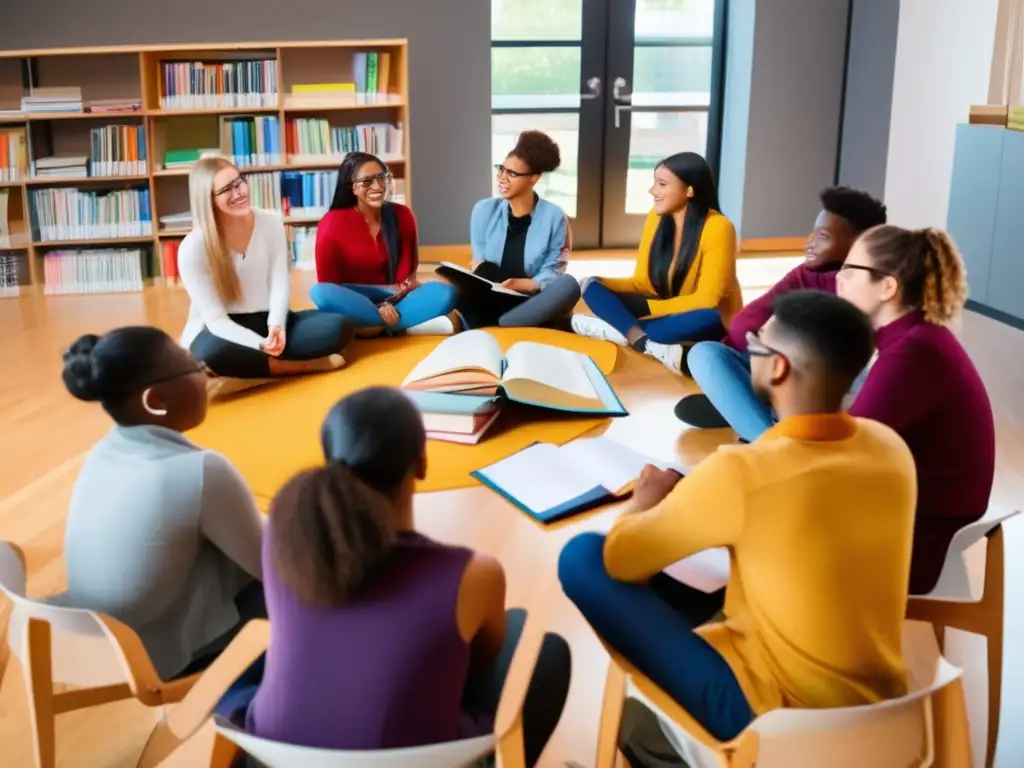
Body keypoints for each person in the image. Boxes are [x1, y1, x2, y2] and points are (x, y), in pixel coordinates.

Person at [559, 290, 916, 760]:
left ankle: (677, 742)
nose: (747, 350)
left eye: (757, 343)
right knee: (700, 580)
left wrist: (644, 500)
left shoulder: (745, 473)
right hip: (884, 708)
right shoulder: (890, 449)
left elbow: (618, 560)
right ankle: (655, 733)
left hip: (779, 721)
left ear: (778, 367)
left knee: (583, 557)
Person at [232, 387, 571, 764]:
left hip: (275, 756)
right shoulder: (471, 574)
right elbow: (481, 665)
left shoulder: (283, 534)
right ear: (422, 464)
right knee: (543, 652)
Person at [57, 326, 266, 682]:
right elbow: (274, 568)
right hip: (162, 654)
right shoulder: (202, 470)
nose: (205, 373)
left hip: (89, 635)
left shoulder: (104, 451)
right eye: (194, 366)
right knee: (314, 584)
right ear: (156, 400)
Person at [836, 225, 994, 595]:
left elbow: (843, 446)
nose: (838, 280)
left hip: (922, 537)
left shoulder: (912, 351)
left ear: (887, 287)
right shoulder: (917, 339)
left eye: (849, 270)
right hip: (926, 516)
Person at [675, 186, 888, 431]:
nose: (809, 242)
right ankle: (766, 431)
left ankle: (744, 407)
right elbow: (743, 323)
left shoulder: (873, 288)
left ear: (861, 244)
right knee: (704, 354)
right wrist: (773, 348)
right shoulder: (807, 274)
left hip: (826, 382)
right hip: (771, 364)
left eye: (823, 236)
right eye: (813, 233)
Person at [178, 155, 354, 381]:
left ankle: (251, 368)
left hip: (269, 319)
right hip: (223, 328)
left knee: (340, 326)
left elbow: (279, 284)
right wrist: (260, 345)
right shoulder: (193, 247)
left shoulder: (271, 222)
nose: (240, 192)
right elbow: (216, 321)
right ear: (208, 200)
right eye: (227, 190)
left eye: (239, 182)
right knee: (209, 353)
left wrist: (277, 326)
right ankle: (297, 367)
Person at [570, 152, 740, 373]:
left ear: (689, 190)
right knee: (592, 288)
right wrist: (601, 282)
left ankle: (614, 329)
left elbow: (707, 300)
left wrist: (650, 308)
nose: (652, 191)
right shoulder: (656, 218)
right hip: (665, 308)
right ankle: (646, 343)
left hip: (705, 316)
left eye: (662, 184)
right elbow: (644, 283)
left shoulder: (719, 228)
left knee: (709, 318)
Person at [310, 152, 459, 335]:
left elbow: (408, 276)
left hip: (396, 299)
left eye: (382, 178)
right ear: (352, 188)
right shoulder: (331, 223)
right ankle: (383, 323)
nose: (378, 186)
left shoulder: (403, 216)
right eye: (367, 181)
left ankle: (371, 327)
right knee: (321, 292)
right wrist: (376, 307)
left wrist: (395, 297)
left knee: (445, 293)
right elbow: (330, 285)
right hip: (354, 299)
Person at [457, 130, 581, 330]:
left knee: (569, 285)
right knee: (469, 283)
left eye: (512, 173)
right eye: (501, 169)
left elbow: (553, 271)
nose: (502, 178)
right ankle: (520, 324)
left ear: (534, 178)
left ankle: (509, 323)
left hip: (532, 300)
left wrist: (524, 284)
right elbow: (479, 263)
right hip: (492, 297)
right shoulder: (484, 210)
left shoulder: (555, 216)